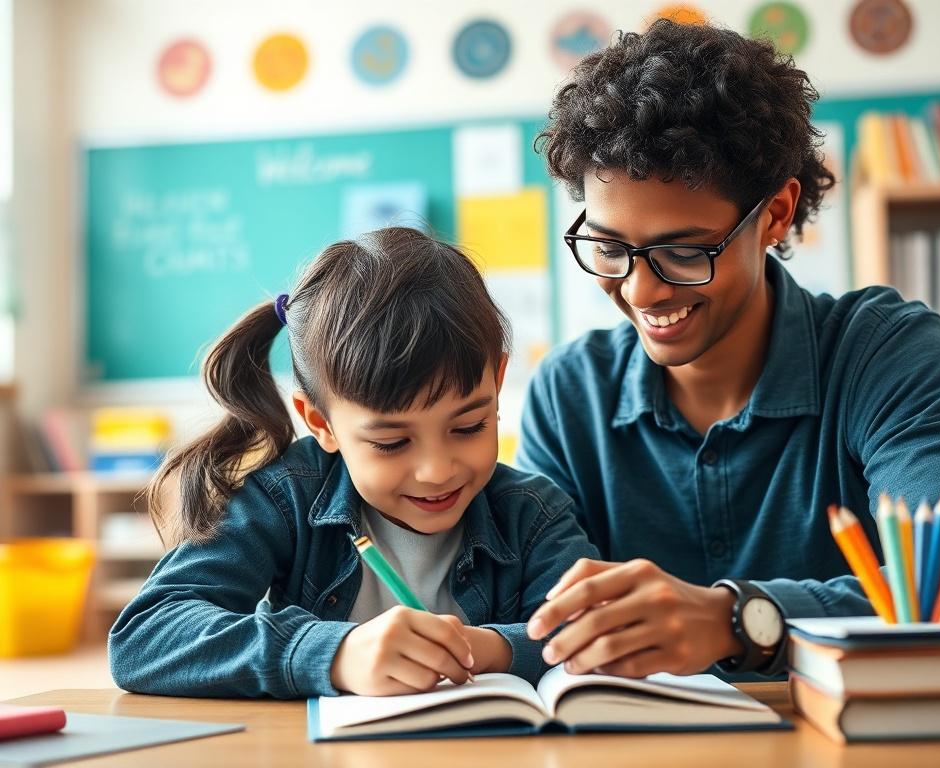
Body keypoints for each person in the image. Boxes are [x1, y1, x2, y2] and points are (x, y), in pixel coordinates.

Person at [519, 19, 940, 679]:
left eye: (684, 251)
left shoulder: (879, 352)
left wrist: (740, 619)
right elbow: (540, 621)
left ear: (777, 214)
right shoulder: (569, 394)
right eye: (611, 248)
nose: (640, 288)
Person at [108, 227, 598, 698]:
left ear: (497, 379)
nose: (437, 470)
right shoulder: (284, 499)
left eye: (468, 427)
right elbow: (146, 636)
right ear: (319, 422)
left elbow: (593, 630)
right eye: (390, 443)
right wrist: (334, 653)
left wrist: (484, 647)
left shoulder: (534, 514)